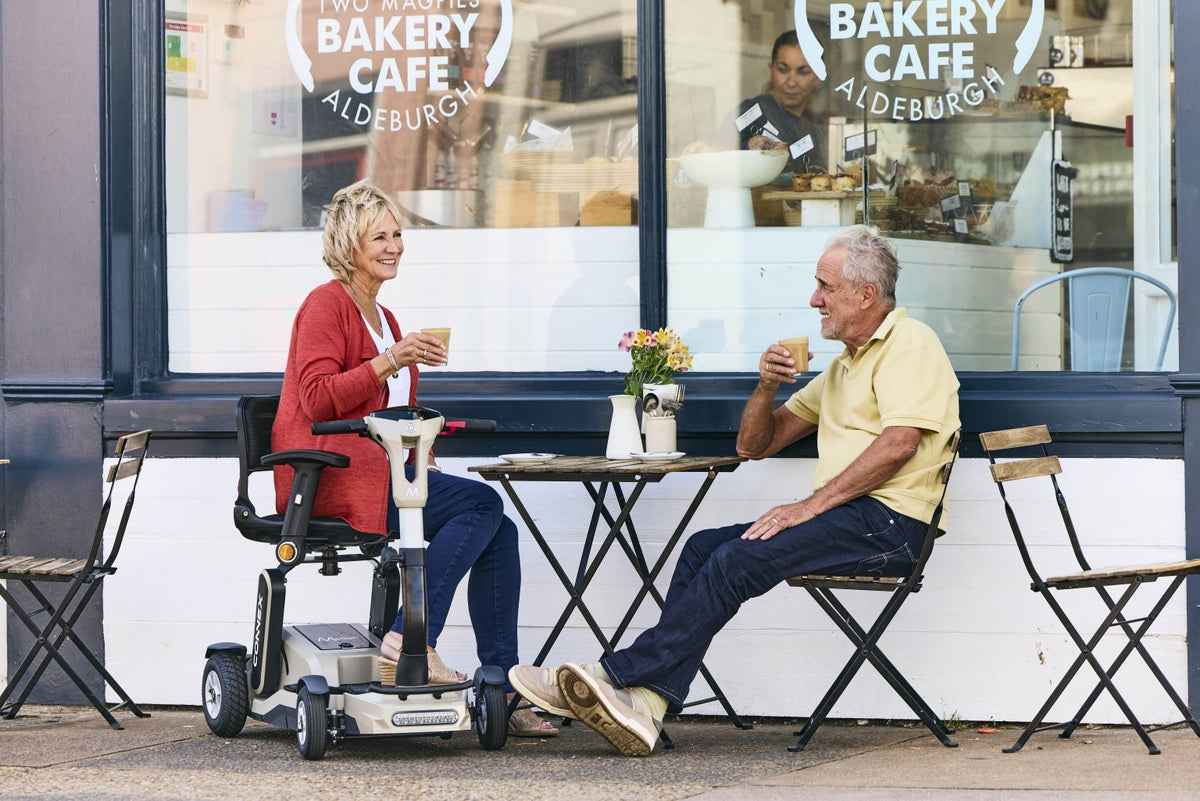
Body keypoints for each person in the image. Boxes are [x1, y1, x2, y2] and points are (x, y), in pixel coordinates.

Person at [508, 226, 960, 756]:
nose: (814, 299)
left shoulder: (910, 343)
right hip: (854, 517)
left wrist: (808, 506)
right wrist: (766, 384)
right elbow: (755, 445)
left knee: (734, 560)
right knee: (704, 548)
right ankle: (649, 708)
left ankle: (611, 673)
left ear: (865, 295)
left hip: (894, 525)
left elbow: (901, 442)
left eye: (826, 287)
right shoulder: (843, 367)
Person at [271, 180, 557, 738]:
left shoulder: (387, 318)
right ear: (348, 244)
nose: (394, 246)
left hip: (392, 474)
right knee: (481, 503)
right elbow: (318, 399)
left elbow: (391, 415)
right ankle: (410, 640)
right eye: (379, 236)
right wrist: (390, 360)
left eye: (398, 234)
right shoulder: (325, 304)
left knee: (499, 529)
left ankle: (502, 686)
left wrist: (425, 417)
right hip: (335, 477)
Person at [723, 29, 827, 173]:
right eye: (783, 70)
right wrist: (748, 147)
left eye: (803, 72)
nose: (791, 82)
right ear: (771, 70)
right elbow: (714, 156)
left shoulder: (813, 128)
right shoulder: (750, 112)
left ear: (818, 77)